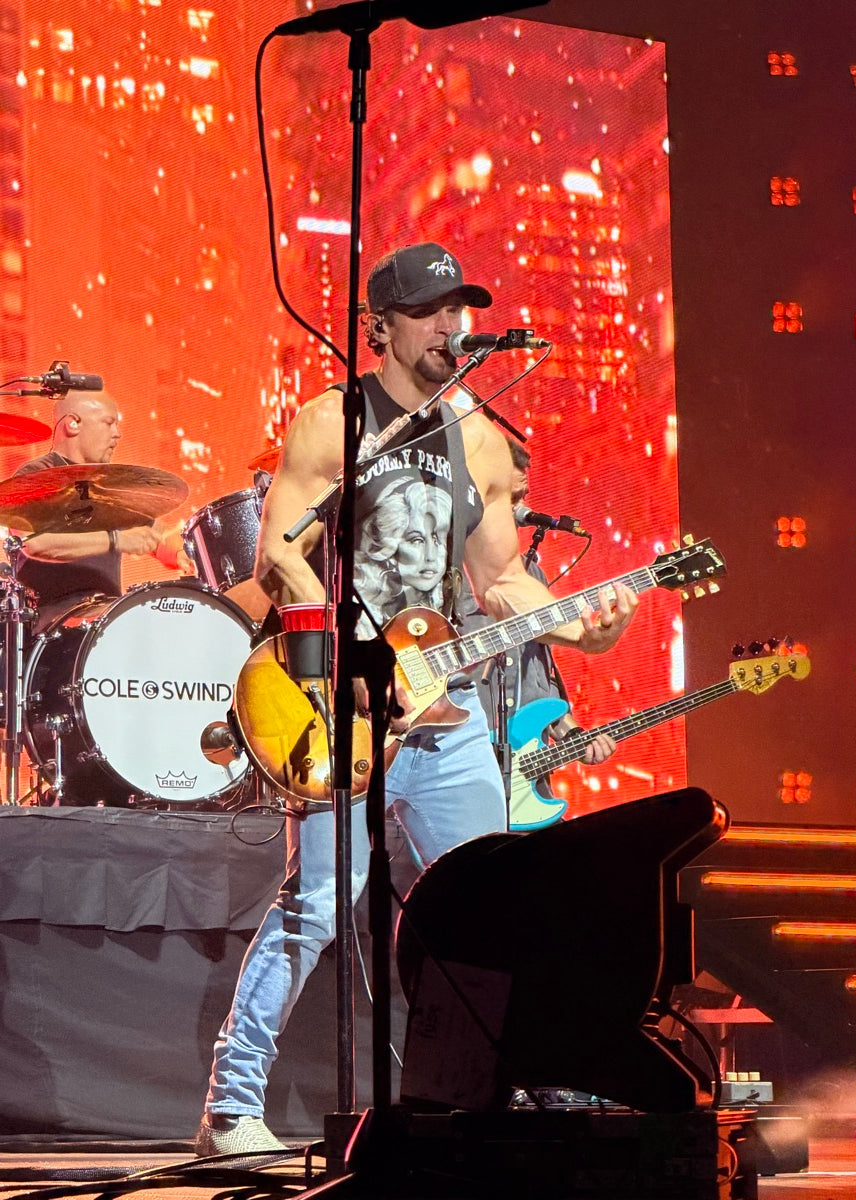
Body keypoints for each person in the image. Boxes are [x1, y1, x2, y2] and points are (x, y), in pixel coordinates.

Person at [197, 241, 638, 1154]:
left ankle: (528, 1087)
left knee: (494, 909)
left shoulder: (476, 435)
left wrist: (578, 626)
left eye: (460, 310)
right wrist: (350, 659)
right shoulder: (333, 422)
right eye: (433, 312)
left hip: (452, 719)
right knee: (315, 905)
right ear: (381, 328)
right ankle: (230, 1109)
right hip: (346, 706)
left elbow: (502, 581)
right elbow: (276, 557)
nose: (452, 327)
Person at [461, 437, 615, 827]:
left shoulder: (532, 575)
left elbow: (536, 676)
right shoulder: (442, 571)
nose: (520, 511)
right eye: (507, 501)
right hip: (462, 771)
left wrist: (570, 732)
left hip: (528, 780)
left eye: (522, 497)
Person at [13, 389, 191, 627]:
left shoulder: (107, 486)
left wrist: (182, 553)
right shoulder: (35, 477)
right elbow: (33, 543)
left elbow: (158, 535)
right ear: (73, 423)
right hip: (50, 622)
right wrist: (115, 540)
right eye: (109, 423)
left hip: (105, 617)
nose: (117, 434)